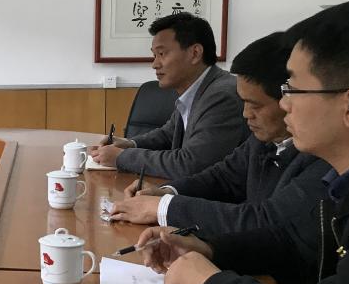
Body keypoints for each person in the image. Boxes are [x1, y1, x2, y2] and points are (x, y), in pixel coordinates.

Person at [138, 0, 349, 284]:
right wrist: (206, 247)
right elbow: (293, 240)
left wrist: (207, 283)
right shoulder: (345, 178)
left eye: (293, 89)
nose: (285, 104)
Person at [109, 32, 330, 235]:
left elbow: (267, 220)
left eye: (255, 105)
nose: (245, 114)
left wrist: (164, 207)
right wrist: (167, 192)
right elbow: (223, 178)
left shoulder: (322, 155)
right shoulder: (265, 138)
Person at [90, 13, 248, 177]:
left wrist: (122, 157)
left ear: (195, 53)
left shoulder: (221, 96)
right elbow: (169, 134)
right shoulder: (196, 89)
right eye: (154, 55)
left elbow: (191, 164)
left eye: (162, 54)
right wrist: (129, 144)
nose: (154, 64)